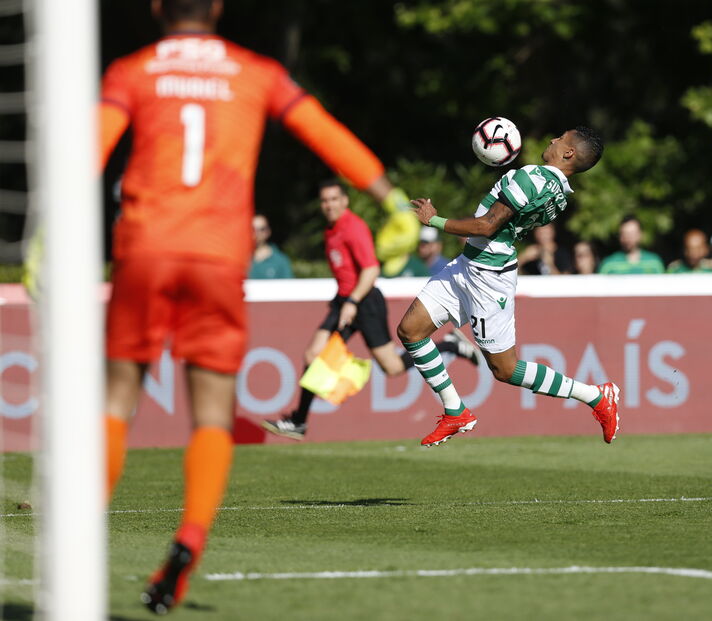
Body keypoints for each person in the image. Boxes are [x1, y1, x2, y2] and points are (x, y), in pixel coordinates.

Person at [99, 0, 412, 612]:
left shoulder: (133, 70)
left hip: (145, 248)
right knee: (212, 414)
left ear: (158, 8)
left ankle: (81, 536)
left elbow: (91, 146)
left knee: (116, 399)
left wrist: (47, 230)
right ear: (217, 8)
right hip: (218, 257)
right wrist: (392, 200)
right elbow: (325, 132)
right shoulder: (256, 72)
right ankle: (189, 541)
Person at [396, 126, 620, 447]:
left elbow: (487, 226)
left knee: (505, 370)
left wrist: (434, 220)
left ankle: (596, 396)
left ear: (569, 153)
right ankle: (455, 410)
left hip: (489, 278)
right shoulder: (559, 193)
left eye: (561, 139)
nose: (553, 139)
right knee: (410, 331)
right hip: (469, 264)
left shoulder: (531, 177)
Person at [261, 180, 480, 440]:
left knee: (393, 367)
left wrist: (353, 302)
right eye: (325, 200)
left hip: (363, 303)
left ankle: (451, 345)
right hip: (345, 302)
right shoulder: (331, 230)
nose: (329, 205)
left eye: (334, 199)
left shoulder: (352, 227)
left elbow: (371, 269)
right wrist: (346, 302)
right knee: (313, 355)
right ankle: (299, 421)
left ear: (345, 201)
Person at [597, 216, 665, 274]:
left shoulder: (654, 263)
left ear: (640, 234)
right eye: (625, 234)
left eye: (632, 233)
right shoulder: (609, 264)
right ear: (620, 236)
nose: (628, 238)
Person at [249, 214, 293, 279]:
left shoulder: (280, 260)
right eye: (253, 229)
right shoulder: (239, 259)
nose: (257, 233)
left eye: (261, 229)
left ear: (268, 231)